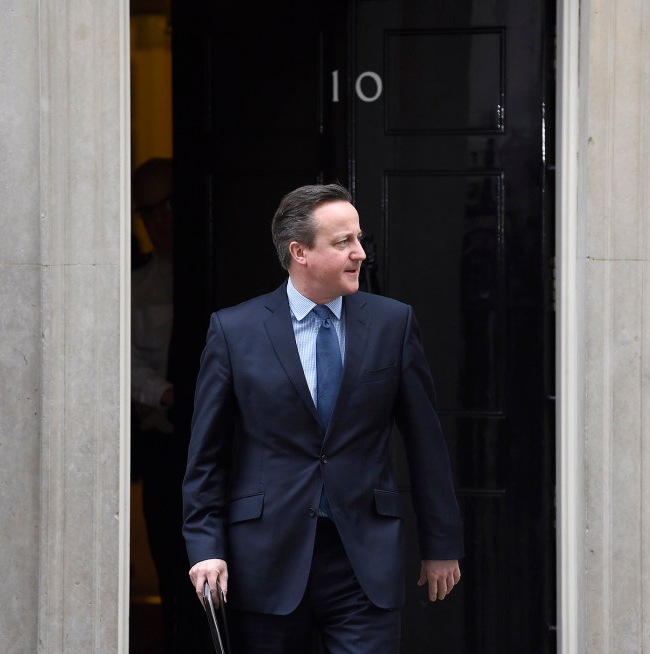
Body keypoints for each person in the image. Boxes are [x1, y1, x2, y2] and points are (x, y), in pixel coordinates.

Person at [182, 183, 464, 653]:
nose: (360, 253)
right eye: (343, 243)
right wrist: (205, 547)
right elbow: (205, 457)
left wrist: (441, 543)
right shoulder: (234, 331)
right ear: (300, 252)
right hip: (265, 561)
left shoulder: (393, 324)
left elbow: (425, 442)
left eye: (359, 239)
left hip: (363, 560)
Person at [130, 158, 210, 654]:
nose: (160, 219)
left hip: (225, 447)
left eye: (169, 205)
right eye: (147, 211)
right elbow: (116, 359)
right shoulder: (135, 281)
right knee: (172, 567)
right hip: (164, 445)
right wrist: (164, 393)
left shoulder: (220, 266)